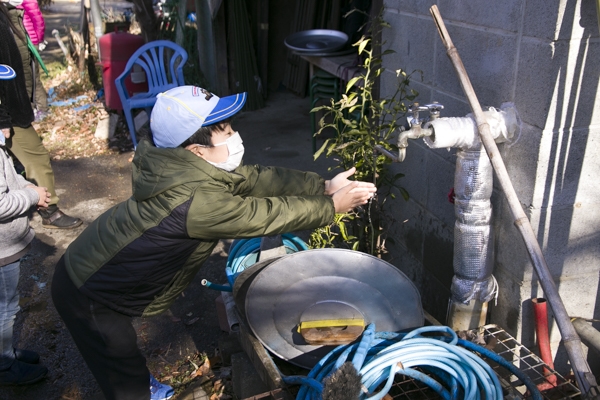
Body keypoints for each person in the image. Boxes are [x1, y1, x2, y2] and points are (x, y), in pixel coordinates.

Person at [51, 85, 376, 400]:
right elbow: (263, 214)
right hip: (89, 292)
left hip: (95, 264)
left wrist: (321, 186)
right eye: (226, 131)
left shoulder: (187, 167)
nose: (236, 136)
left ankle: (141, 385)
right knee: (119, 368)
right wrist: (330, 207)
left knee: (123, 359)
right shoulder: (194, 202)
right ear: (196, 150)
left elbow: (258, 178)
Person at [0, 2, 81, 229]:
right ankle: (50, 212)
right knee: (36, 157)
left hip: (14, 106)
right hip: (8, 112)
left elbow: (21, 64)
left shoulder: (9, 13)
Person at [0, 63, 50, 386]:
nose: (8, 128)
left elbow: (8, 177)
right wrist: (31, 198)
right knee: (6, 307)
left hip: (7, 245)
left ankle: (7, 352)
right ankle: (4, 364)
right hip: (2, 248)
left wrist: (28, 187)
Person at [17, 0, 49, 121]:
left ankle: (42, 108)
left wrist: (39, 39)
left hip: (29, 41)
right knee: (24, 76)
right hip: (18, 40)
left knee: (32, 77)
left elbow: (37, 18)